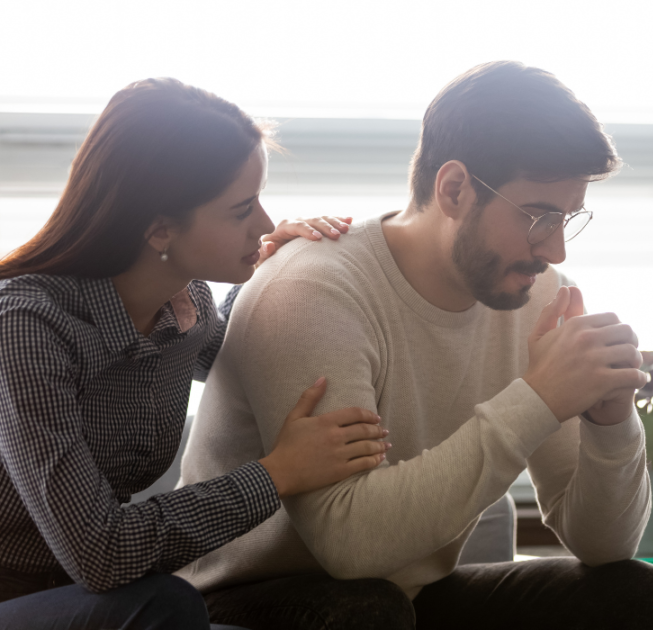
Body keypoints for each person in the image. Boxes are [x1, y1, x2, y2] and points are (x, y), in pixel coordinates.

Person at [179, 62, 653, 629]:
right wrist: (539, 398)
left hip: (406, 596)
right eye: (540, 216)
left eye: (567, 219)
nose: (556, 250)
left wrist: (610, 423)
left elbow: (605, 547)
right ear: (454, 189)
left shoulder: (538, 294)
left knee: (641, 594)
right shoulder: (312, 290)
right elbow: (348, 546)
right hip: (244, 598)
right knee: (367, 611)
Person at [0, 78, 414, 630]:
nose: (267, 224)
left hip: (111, 602)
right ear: (160, 228)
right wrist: (277, 473)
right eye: (242, 209)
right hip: (37, 595)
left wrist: (282, 273)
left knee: (365, 611)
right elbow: (102, 554)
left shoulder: (186, 304)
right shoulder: (26, 327)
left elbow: (245, 356)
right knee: (167, 604)